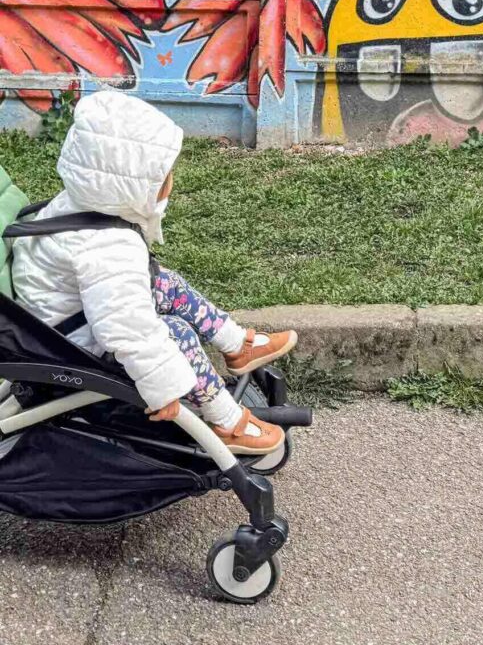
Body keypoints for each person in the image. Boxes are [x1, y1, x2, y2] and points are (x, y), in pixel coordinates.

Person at [11, 90, 297, 455]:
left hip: (59, 320)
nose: (170, 181)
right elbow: (128, 331)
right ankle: (225, 420)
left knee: (166, 284)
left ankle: (235, 343)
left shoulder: (77, 205)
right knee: (175, 334)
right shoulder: (109, 248)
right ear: (129, 185)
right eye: (163, 175)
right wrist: (162, 389)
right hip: (73, 346)